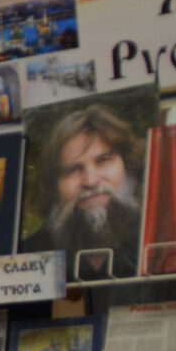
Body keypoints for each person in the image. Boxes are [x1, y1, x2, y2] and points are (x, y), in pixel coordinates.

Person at [28, 103, 145, 279]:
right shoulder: (30, 255)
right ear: (53, 186)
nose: (90, 181)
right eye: (73, 170)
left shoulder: (158, 239)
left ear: (127, 166)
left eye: (103, 161)